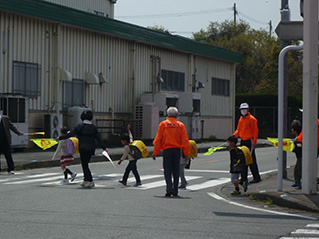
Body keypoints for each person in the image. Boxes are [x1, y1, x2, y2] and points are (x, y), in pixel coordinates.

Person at [57, 110, 107, 188]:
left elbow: (71, 134)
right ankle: (86, 180)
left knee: (85, 164)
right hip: (91, 148)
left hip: (83, 148)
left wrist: (60, 137)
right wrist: (104, 147)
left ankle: (90, 180)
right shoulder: (93, 127)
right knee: (85, 164)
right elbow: (99, 138)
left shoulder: (80, 126)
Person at [152, 107, 191, 197]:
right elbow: (185, 140)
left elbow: (158, 140)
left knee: (167, 170)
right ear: (176, 115)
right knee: (176, 171)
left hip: (167, 150)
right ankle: (175, 190)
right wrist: (186, 153)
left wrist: (155, 152)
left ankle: (169, 188)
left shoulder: (163, 124)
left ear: (167, 115)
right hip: (177, 150)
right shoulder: (180, 125)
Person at [233, 103, 261, 184]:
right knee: (242, 160)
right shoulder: (241, 119)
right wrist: (234, 136)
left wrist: (254, 142)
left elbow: (255, 131)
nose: (243, 110)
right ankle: (244, 178)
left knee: (251, 160)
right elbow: (238, 130)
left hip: (250, 141)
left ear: (248, 109)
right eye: (242, 109)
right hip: (243, 141)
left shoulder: (252, 119)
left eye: (244, 109)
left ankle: (256, 177)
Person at [291, 119, 302, 188]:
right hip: (299, 156)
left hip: (301, 156)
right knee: (296, 169)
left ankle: (301, 183)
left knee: (299, 169)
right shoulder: (299, 136)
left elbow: (299, 148)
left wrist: (293, 149)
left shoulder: (299, 138)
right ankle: (297, 182)